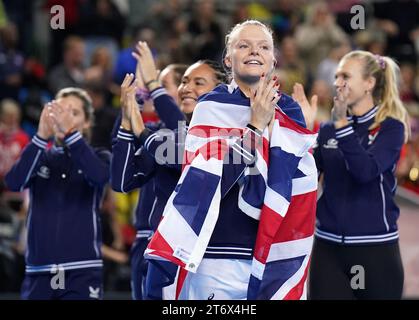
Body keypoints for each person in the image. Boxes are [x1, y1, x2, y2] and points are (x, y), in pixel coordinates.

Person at [145, 20, 318, 300]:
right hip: (217, 257)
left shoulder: (289, 110)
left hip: (273, 258)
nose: (254, 51)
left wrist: (304, 136)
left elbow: (297, 190)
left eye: (264, 46)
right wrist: (255, 128)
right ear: (228, 58)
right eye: (244, 45)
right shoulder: (210, 106)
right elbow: (209, 185)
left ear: (273, 59)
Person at [111, 57, 227, 300]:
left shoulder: (229, 135)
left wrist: (142, 130)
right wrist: (126, 121)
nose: (187, 88)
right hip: (164, 254)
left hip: (212, 257)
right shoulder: (165, 135)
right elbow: (122, 182)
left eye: (199, 82)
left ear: (219, 91)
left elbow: (181, 155)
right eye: (184, 81)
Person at [308, 50, 409, 299]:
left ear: (369, 83)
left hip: (374, 248)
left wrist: (341, 126)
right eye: (336, 76)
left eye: (345, 76)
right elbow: (307, 177)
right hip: (327, 248)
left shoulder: (390, 128)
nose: (337, 82)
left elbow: (365, 172)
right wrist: (300, 133)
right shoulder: (328, 129)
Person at [5, 88, 110, 300]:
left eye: (73, 112)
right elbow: (14, 182)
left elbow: (99, 177)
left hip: (81, 270)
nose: (64, 118)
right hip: (40, 270)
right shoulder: (40, 156)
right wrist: (41, 137)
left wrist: (71, 134)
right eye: (60, 111)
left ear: (87, 122)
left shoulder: (100, 156)